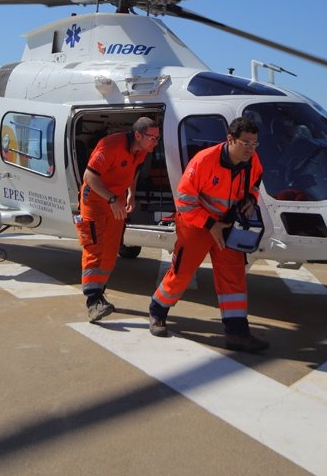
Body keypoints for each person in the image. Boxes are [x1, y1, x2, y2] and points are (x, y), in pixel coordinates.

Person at [148, 117, 269, 353]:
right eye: (245, 143)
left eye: (255, 144)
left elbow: (256, 181)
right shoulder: (204, 161)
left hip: (226, 225)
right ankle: (157, 311)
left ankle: (237, 333)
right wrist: (210, 224)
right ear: (230, 140)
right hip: (195, 224)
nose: (251, 149)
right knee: (182, 272)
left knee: (233, 277)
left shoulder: (252, 160)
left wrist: (250, 199)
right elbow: (184, 200)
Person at [77, 116, 160, 322]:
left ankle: (100, 291)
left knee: (111, 250)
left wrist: (131, 193)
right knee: (94, 248)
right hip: (95, 201)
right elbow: (90, 177)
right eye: (152, 138)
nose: (155, 142)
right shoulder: (110, 146)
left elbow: (133, 171)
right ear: (138, 135)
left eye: (157, 138)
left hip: (116, 202)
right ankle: (93, 301)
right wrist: (112, 199)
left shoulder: (140, 150)